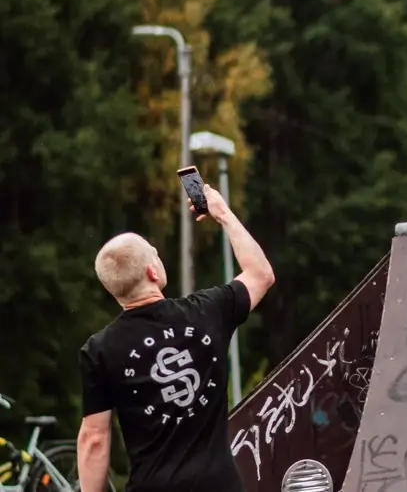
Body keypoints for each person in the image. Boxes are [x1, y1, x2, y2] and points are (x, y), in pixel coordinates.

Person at [76, 185, 275, 492]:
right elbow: (260, 274)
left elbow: (95, 439)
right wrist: (222, 213)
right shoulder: (207, 311)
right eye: (155, 255)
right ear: (152, 272)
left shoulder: (99, 350)